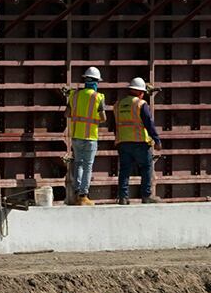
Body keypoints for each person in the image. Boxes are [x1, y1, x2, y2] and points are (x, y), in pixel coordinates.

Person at [114, 77, 162, 204]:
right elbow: (149, 123)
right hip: (139, 142)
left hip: (123, 142)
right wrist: (157, 140)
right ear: (140, 92)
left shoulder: (118, 104)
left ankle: (123, 197)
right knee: (146, 167)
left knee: (124, 170)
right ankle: (146, 196)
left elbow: (115, 124)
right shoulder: (141, 104)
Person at [65, 67, 107, 206]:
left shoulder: (75, 95)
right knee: (88, 166)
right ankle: (84, 195)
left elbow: (67, 113)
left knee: (78, 164)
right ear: (96, 82)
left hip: (77, 135)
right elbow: (103, 118)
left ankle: (77, 192)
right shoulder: (98, 97)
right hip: (90, 137)